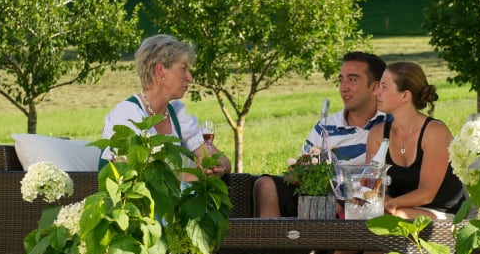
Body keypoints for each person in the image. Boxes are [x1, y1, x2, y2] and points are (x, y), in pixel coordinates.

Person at [326, 61, 466, 254]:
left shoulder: (435, 132)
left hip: (441, 214)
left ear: (405, 96)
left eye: (384, 86)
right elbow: (371, 186)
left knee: (384, 219)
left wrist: (390, 203)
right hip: (397, 208)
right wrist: (359, 198)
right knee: (358, 213)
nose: (376, 92)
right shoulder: (378, 133)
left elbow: (428, 193)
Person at [252, 51, 388, 217]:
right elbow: (302, 168)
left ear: (374, 87)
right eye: (341, 80)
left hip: (362, 203)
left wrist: (341, 202)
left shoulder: (389, 126)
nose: (343, 88)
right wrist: (299, 171)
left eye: (352, 80)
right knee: (265, 185)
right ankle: (271, 242)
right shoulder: (326, 125)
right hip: (319, 200)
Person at [101, 34, 230, 176]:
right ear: (160, 71)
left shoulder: (177, 114)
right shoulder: (128, 114)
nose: (190, 77)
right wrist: (197, 176)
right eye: (183, 68)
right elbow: (135, 176)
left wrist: (217, 167)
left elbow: (224, 161)